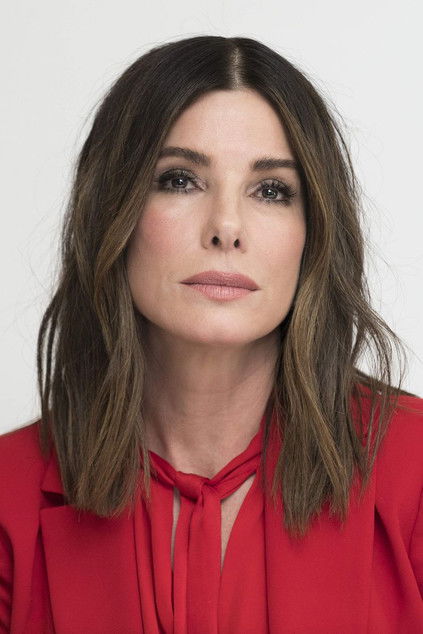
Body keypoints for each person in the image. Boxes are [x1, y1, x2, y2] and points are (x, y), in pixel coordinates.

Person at [0, 34, 422, 634]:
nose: (226, 226)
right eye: (179, 180)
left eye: (271, 190)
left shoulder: (414, 471)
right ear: (113, 213)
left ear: (314, 234)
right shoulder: (8, 496)